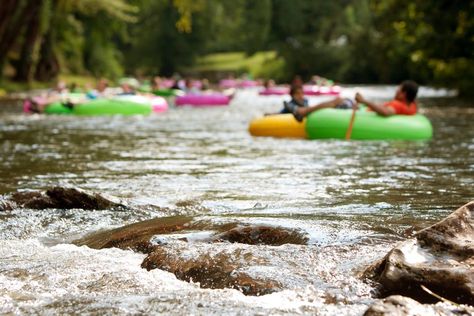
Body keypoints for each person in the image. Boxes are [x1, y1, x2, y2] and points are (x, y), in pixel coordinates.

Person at [280, 85, 353, 122]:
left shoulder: (305, 101)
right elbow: (301, 112)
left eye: (302, 93)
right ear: (292, 95)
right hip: (281, 118)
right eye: (297, 94)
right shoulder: (288, 104)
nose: (300, 96)